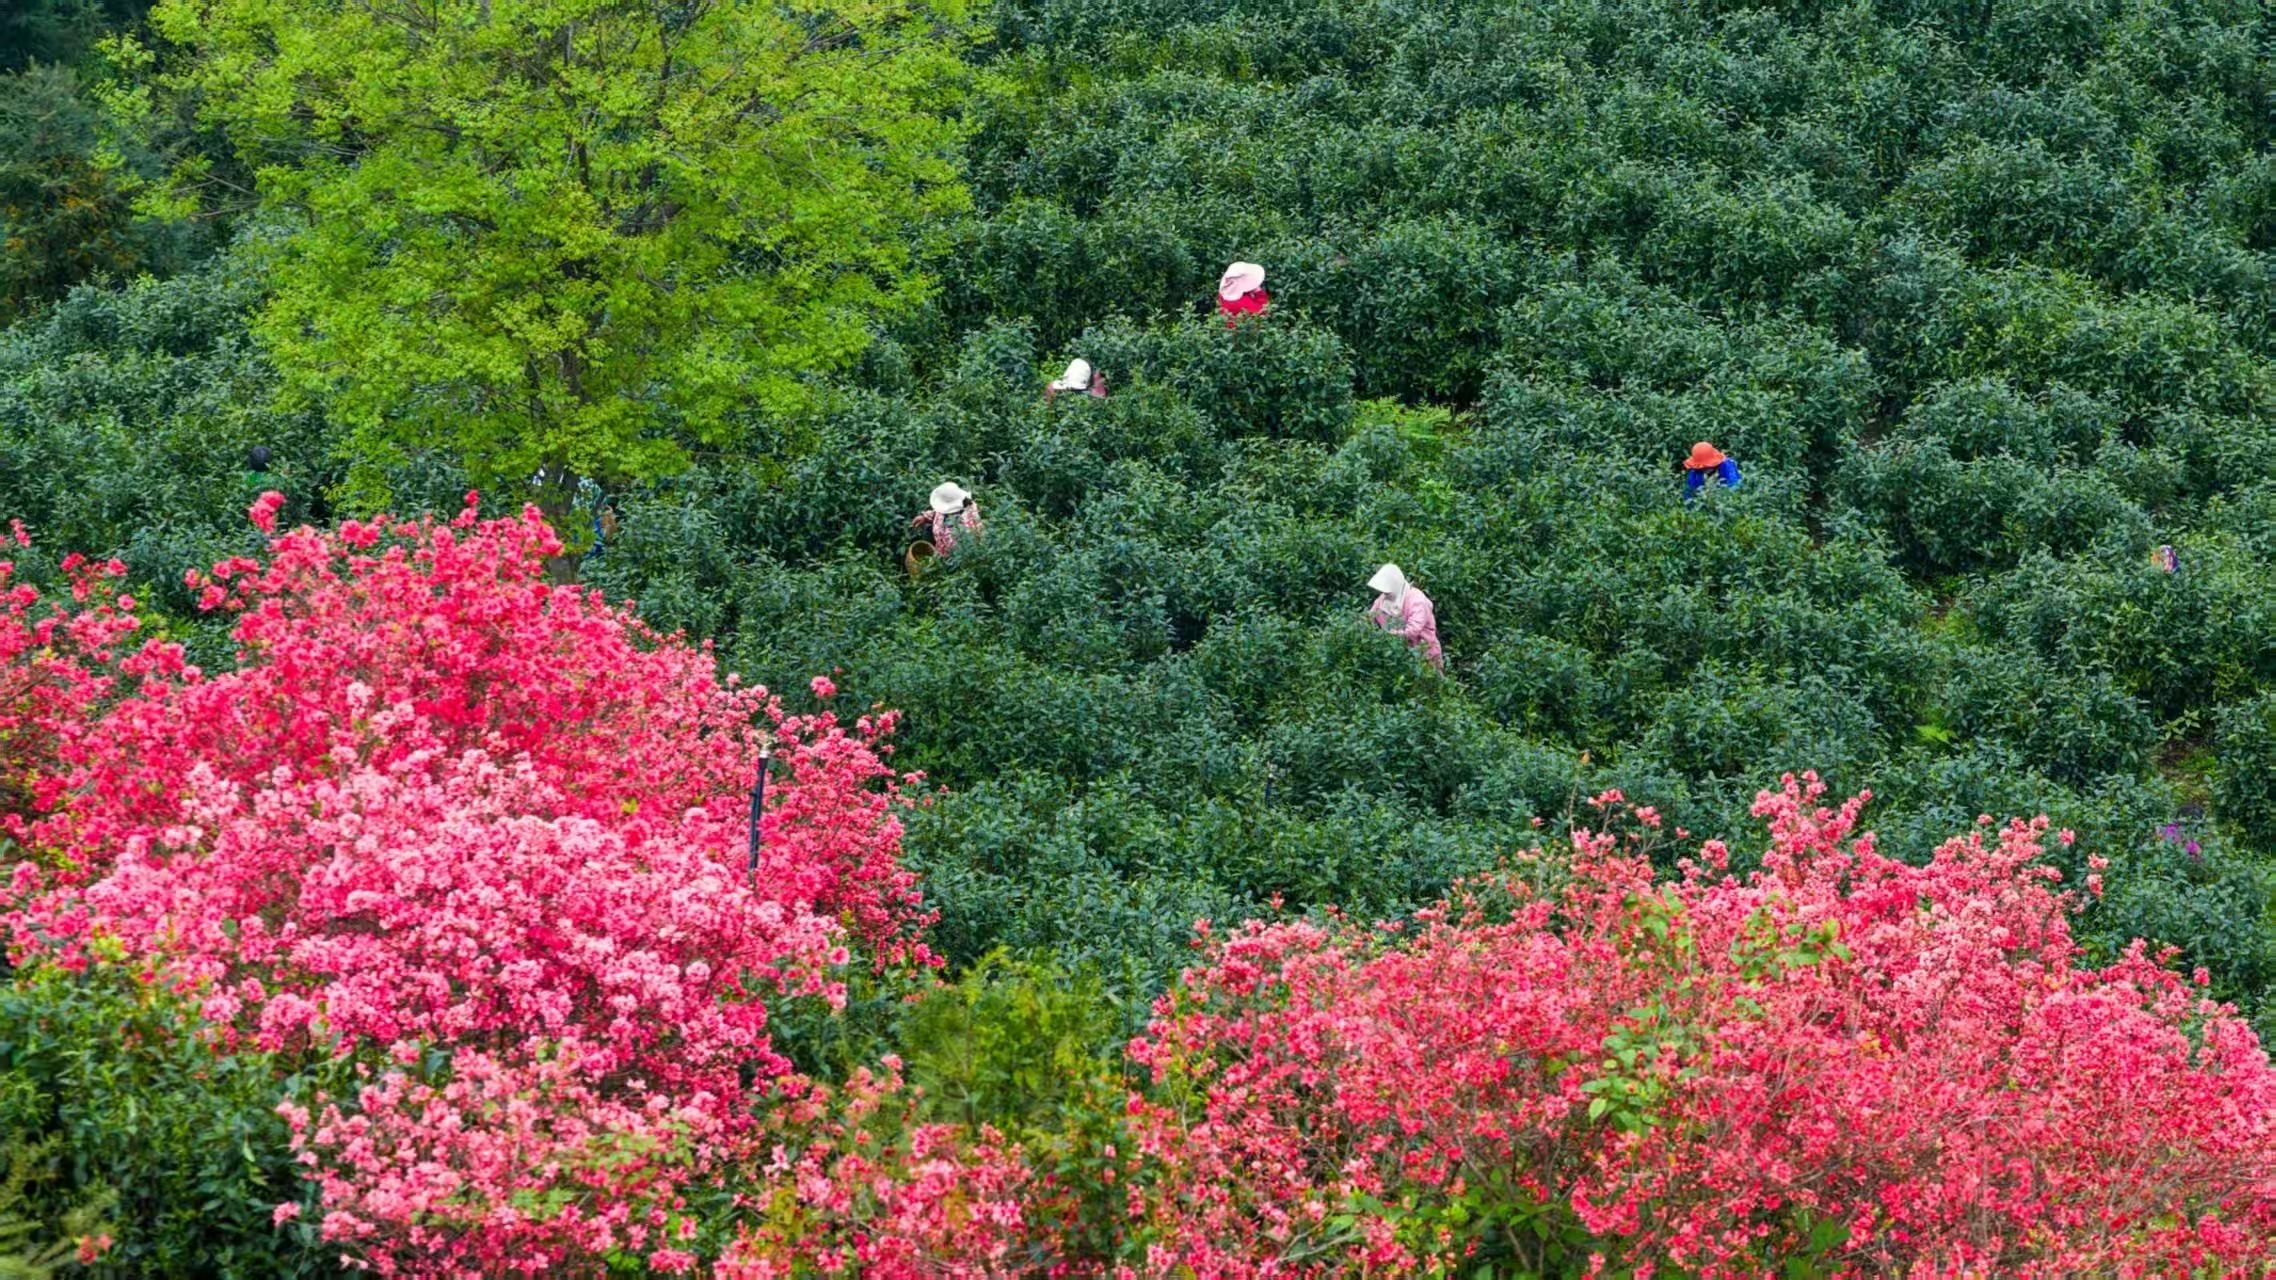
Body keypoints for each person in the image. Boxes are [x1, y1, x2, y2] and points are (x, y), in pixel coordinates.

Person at [1366, 563, 1442, 668]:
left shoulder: (1417, 600)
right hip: (1399, 655)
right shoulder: (1384, 598)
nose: (1383, 592)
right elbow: (1371, 616)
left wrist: (1391, 635)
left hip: (1425, 654)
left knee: (1431, 676)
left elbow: (1413, 630)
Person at [912, 482, 983, 555]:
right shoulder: (956, 506)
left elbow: (957, 552)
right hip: (941, 541)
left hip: (952, 553)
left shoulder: (964, 527)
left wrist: (940, 557)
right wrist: (925, 517)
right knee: (927, 527)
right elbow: (938, 512)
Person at [1219, 261, 1269, 327]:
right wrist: (1259, 293)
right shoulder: (1243, 303)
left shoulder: (1224, 292)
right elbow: (1262, 312)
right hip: (1242, 330)